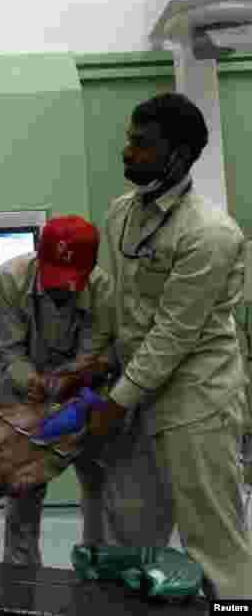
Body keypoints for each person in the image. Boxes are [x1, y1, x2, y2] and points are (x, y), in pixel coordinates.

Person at [88, 92, 252, 599]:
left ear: (178, 155)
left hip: (197, 401)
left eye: (142, 144)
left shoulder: (211, 234)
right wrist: (99, 365)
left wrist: (116, 403)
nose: (127, 152)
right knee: (132, 535)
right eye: (129, 139)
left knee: (214, 544)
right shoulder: (120, 215)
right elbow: (125, 307)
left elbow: (174, 333)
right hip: (139, 394)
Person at [0, 215, 115, 566]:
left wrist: (65, 383)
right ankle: (20, 578)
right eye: (54, 279)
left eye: (72, 280)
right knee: (23, 492)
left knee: (98, 484)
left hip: (82, 395)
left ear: (90, 269)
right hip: (21, 397)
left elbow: (90, 355)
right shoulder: (10, 278)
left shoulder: (104, 291)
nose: (62, 289)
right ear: (38, 257)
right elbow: (9, 350)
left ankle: (97, 567)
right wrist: (30, 381)